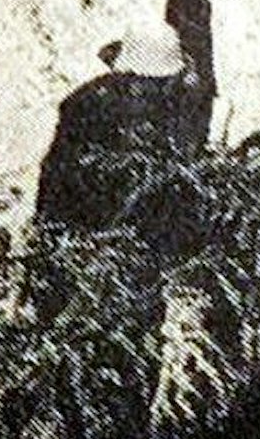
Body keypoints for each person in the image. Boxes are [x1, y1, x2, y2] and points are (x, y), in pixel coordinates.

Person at [31, 29, 204, 263]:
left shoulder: (158, 101)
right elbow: (72, 170)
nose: (166, 89)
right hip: (82, 220)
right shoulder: (92, 105)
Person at [164, 0, 215, 152]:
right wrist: (190, 62)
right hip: (190, 57)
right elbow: (178, 26)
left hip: (197, 57)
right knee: (191, 106)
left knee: (199, 102)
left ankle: (194, 147)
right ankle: (189, 151)